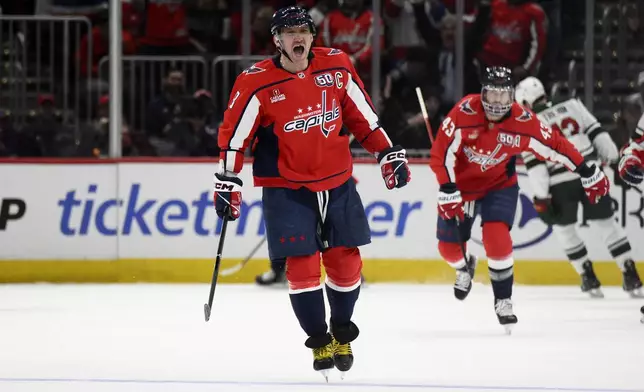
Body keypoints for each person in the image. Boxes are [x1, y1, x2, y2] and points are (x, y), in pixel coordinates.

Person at [213, 6, 411, 379]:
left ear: (312, 35)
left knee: (346, 263)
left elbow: (363, 117)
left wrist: (386, 151)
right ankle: (319, 339)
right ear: (277, 40)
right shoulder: (255, 82)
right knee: (302, 268)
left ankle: (341, 332)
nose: (298, 37)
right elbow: (235, 137)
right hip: (286, 187)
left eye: (303, 30)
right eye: (289, 32)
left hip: (337, 180)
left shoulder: (337, 65)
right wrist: (228, 180)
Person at [429, 66, 610, 333]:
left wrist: (586, 170)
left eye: (503, 96)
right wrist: (446, 187)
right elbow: (440, 153)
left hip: (499, 185)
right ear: (482, 93)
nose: (497, 103)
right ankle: (464, 265)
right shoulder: (465, 111)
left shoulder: (525, 121)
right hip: (462, 190)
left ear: (513, 96)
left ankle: (503, 300)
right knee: (448, 249)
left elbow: (556, 146)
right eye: (491, 95)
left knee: (497, 237)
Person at [515, 76, 642, 298]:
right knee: (607, 225)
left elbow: (537, 168)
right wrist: (613, 159)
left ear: (525, 102)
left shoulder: (529, 125)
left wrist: (541, 197)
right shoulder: (573, 105)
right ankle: (630, 274)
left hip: (559, 181)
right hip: (590, 172)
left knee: (564, 230)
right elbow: (598, 134)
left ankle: (588, 277)